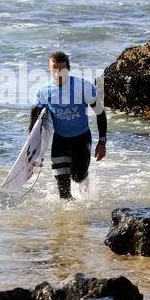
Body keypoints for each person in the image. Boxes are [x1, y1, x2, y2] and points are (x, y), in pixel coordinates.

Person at [29, 52, 107, 200]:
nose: (57, 75)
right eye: (53, 71)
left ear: (69, 69)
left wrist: (102, 142)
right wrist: (36, 152)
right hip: (60, 141)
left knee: (78, 177)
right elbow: (34, 121)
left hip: (81, 138)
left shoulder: (83, 87)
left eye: (61, 71)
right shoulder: (43, 91)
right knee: (63, 195)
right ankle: (68, 222)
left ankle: (84, 179)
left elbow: (100, 113)